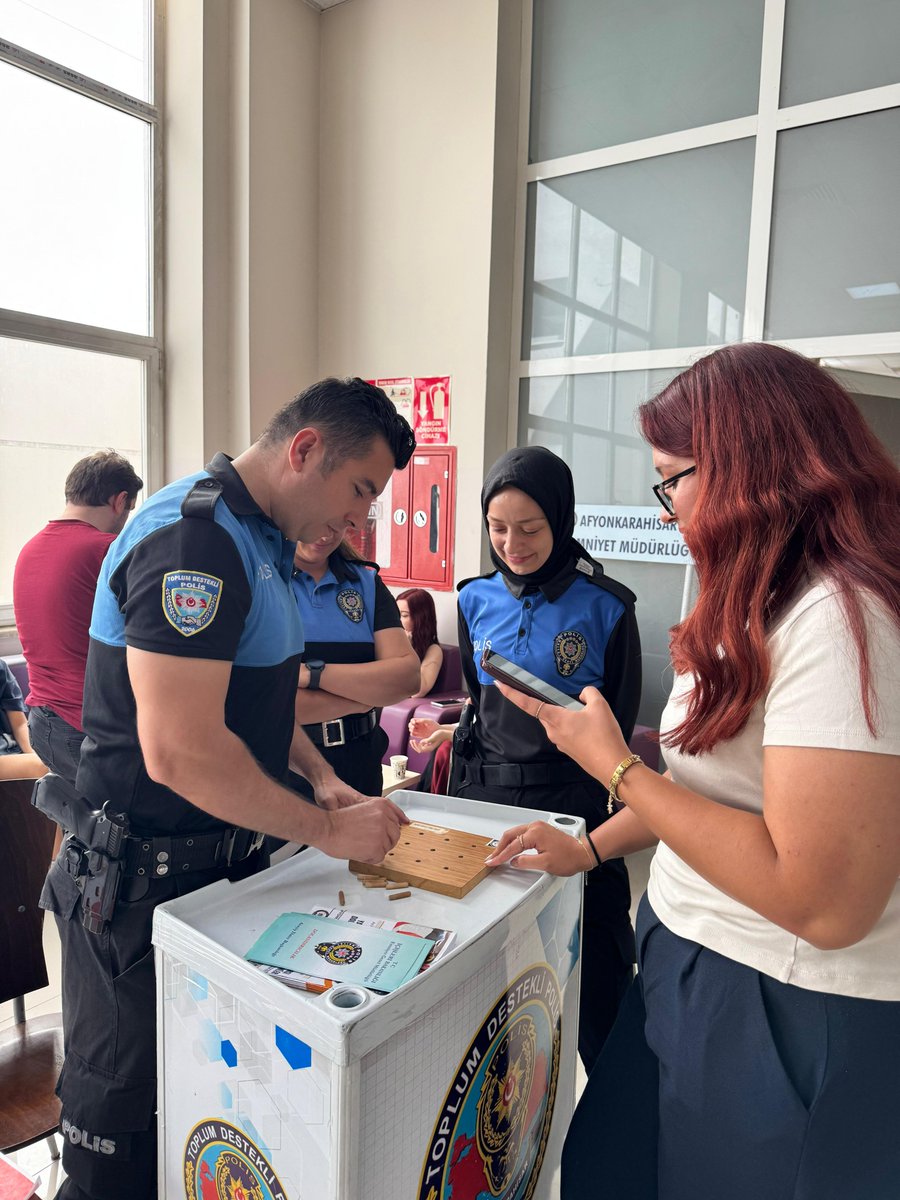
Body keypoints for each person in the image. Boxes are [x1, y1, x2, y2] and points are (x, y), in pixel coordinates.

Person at [486, 344, 900, 1200]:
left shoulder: (843, 617)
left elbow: (823, 902)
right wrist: (592, 849)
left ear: (752, 465)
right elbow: (703, 795)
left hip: (783, 995)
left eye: (674, 478)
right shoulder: (750, 596)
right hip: (686, 948)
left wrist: (614, 768)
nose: (669, 508)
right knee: (605, 1168)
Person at [36, 377, 416, 1200]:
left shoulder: (263, 545)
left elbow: (256, 702)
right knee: (118, 1159)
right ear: (304, 448)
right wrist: (329, 836)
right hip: (135, 900)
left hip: (210, 886)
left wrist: (323, 785)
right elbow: (181, 752)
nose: (358, 523)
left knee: (201, 1130)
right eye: (359, 491)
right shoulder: (195, 542)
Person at [452, 445, 642, 1073]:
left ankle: (615, 1127)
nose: (512, 543)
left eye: (530, 528)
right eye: (497, 528)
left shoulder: (608, 607)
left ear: (560, 521)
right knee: (494, 984)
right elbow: (475, 709)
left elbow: (616, 734)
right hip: (489, 808)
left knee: (600, 985)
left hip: (575, 809)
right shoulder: (474, 598)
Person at [14, 450, 143, 784]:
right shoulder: (109, 549)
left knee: (78, 823)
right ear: (121, 500)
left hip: (42, 723)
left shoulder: (29, 549)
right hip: (87, 727)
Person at [289, 534, 419, 799]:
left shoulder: (366, 582)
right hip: (287, 770)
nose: (324, 534)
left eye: (336, 520)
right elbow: (270, 705)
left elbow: (407, 679)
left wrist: (312, 675)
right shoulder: (264, 579)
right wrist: (361, 700)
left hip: (363, 765)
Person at [0, 657, 47, 780]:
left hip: (12, 752)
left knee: (51, 764)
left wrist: (35, 754)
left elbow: (19, 724)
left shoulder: (1, 668)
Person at [396, 587, 443, 696]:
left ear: (420, 618)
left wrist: (407, 649)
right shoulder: (388, 639)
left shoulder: (433, 650)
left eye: (404, 615)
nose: (397, 620)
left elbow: (418, 691)